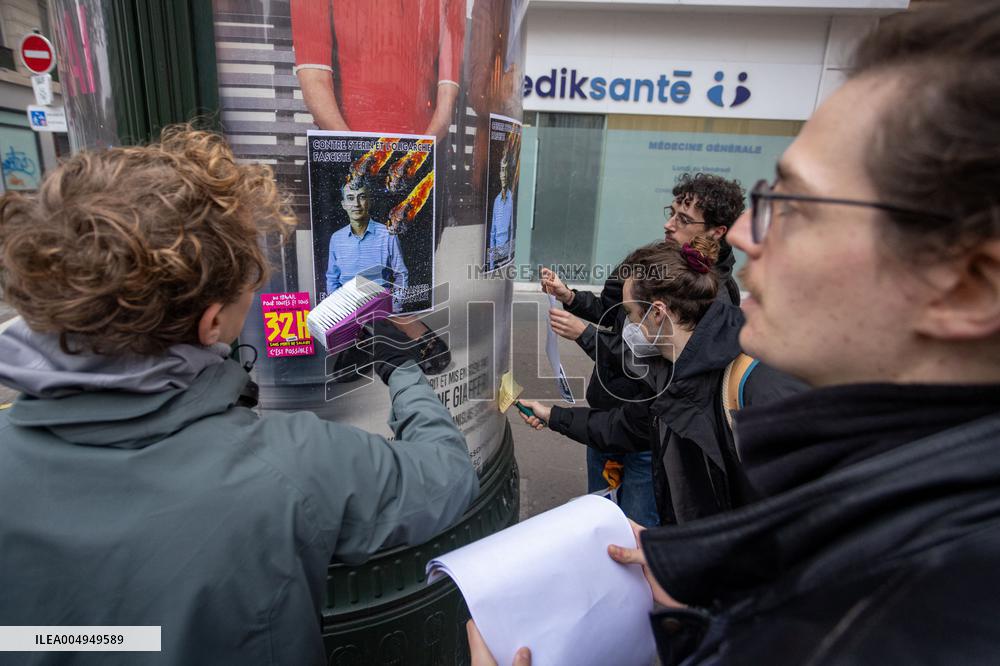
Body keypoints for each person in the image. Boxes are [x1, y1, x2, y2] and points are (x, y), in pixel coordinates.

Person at [489, 1, 1000, 663]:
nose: (747, 239)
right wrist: (705, 590)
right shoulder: (874, 513)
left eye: (797, 206)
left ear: (968, 284)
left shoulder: (900, 613)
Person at [0, 126, 479, 664]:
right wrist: (403, 370)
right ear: (210, 323)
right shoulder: (290, 464)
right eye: (244, 293)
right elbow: (446, 476)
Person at [526, 235, 802, 525]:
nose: (628, 327)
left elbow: (798, 513)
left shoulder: (760, 383)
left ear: (658, 312)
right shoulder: (670, 370)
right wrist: (552, 416)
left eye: (630, 315)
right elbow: (628, 426)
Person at [537, 173, 748, 526]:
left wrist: (588, 337)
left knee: (633, 536)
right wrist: (570, 298)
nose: (669, 224)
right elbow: (613, 309)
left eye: (683, 218)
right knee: (604, 524)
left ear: (717, 232)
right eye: (671, 211)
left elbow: (657, 372)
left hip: (642, 436)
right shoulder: (651, 262)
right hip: (609, 419)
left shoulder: (713, 298)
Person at [289, 0, 465, 140]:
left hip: (426, 148)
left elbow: (446, 101)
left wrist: (419, 155)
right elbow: (314, 80)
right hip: (344, 148)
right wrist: (356, 154)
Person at [325, 176, 409, 309]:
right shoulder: (336, 239)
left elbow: (401, 275)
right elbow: (332, 279)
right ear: (344, 204)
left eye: (362, 197)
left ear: (369, 202)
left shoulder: (388, 235)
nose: (356, 204)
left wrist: (393, 309)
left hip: (380, 312)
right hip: (346, 313)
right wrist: (338, 311)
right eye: (351, 198)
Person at [487, 153, 515, 270]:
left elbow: (513, 230)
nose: (503, 174)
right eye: (502, 170)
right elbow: (492, 233)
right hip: (498, 260)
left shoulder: (512, 198)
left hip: (508, 259)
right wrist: (492, 264)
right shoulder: (497, 201)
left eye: (506, 170)